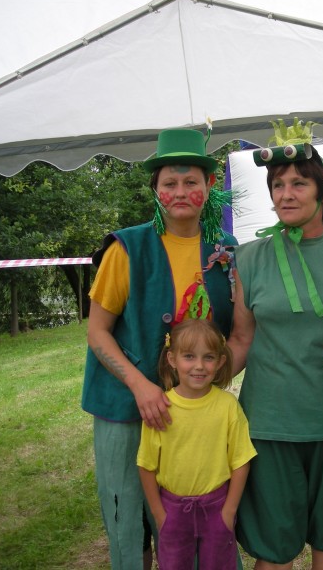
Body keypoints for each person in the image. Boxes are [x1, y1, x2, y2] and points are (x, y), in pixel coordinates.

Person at [83, 128, 238, 570]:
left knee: (185, 511)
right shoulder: (127, 247)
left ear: (210, 185)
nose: (181, 192)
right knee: (128, 514)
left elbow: (235, 333)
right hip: (124, 405)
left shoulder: (226, 253)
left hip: (190, 410)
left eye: (191, 182)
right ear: (156, 189)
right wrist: (140, 386)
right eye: (170, 183)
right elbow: (97, 332)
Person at [228, 119, 323, 570]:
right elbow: (242, 339)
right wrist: (191, 384)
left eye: (299, 184)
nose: (286, 194)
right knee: (274, 549)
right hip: (269, 426)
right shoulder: (249, 258)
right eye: (277, 185)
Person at [137, 318, 257, 570]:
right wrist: (159, 514)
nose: (199, 366)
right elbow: (146, 466)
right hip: (172, 511)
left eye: (208, 357)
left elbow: (241, 461)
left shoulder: (227, 406)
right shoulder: (161, 408)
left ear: (220, 361)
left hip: (217, 508)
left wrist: (229, 511)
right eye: (189, 356)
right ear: (172, 359)